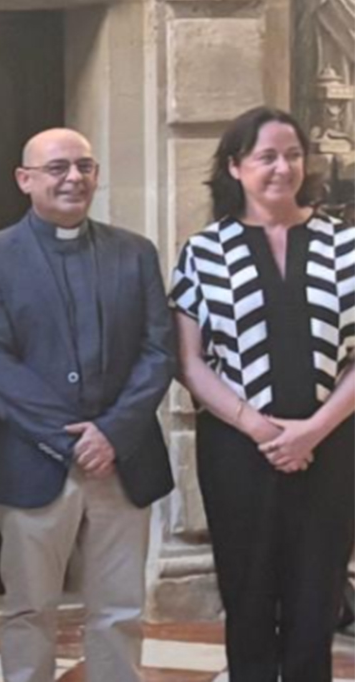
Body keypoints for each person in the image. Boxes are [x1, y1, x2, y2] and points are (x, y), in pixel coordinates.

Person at [0, 128, 175, 682]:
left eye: (84, 166)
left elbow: (159, 351)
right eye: (57, 168)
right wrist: (70, 438)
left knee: (121, 610)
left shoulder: (135, 252)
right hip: (31, 462)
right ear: (24, 179)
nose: (74, 178)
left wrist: (112, 433)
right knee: (30, 609)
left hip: (122, 460)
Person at [170, 106, 355, 682]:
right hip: (237, 451)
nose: (282, 168)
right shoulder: (204, 250)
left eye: (293, 155)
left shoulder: (346, 245)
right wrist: (258, 426)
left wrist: (312, 430)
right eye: (266, 156)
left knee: (315, 595)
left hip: (331, 447)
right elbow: (189, 362)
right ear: (236, 166)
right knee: (247, 593)